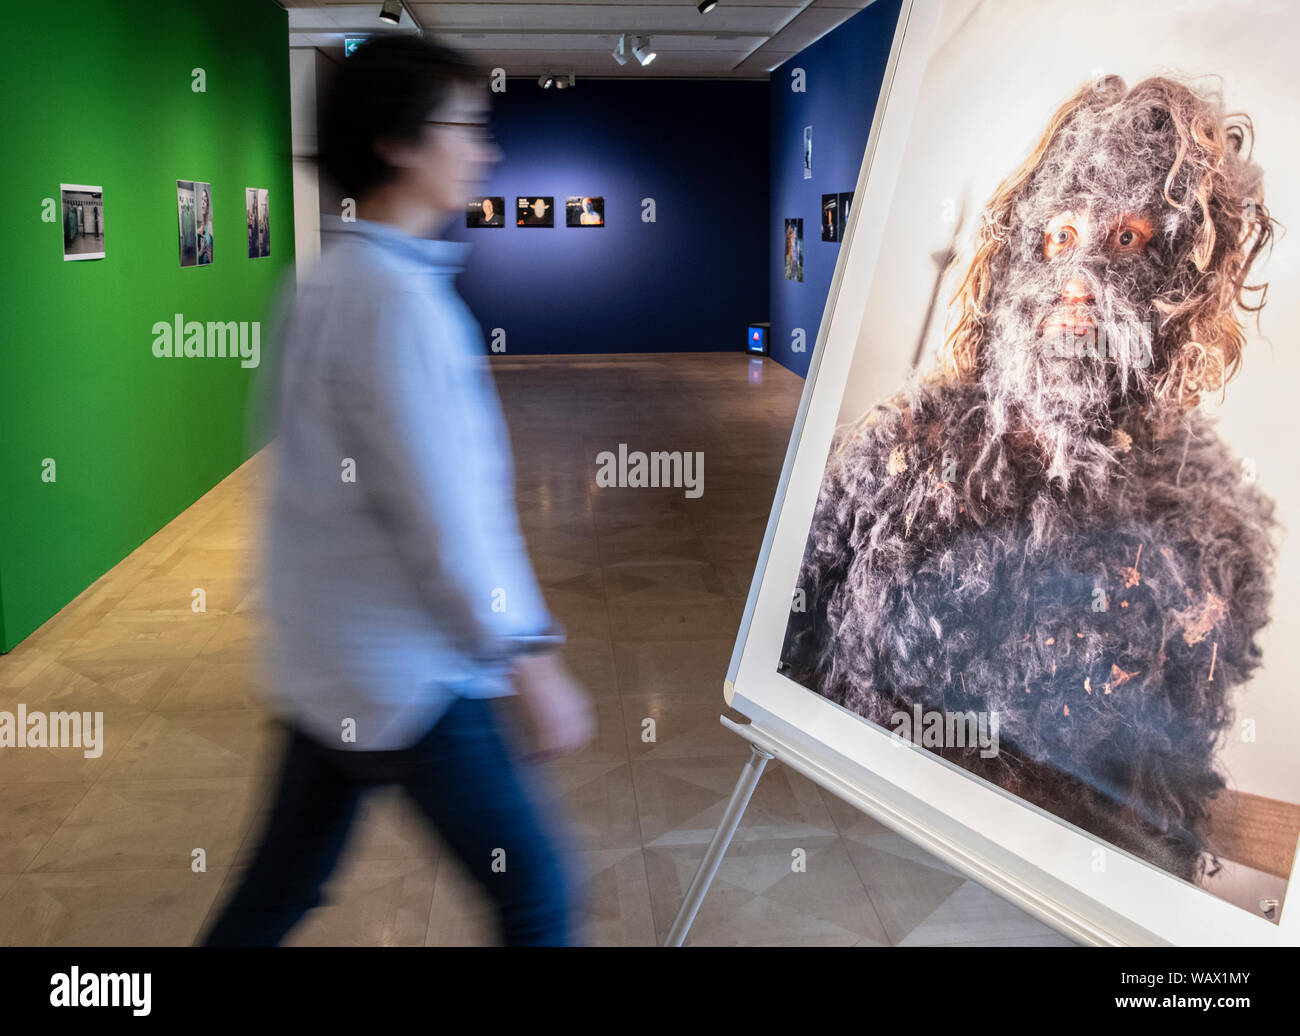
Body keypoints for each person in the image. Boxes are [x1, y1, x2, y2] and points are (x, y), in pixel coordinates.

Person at [781, 76, 1277, 883]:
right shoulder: (908, 450)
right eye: (1060, 236)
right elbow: (797, 627)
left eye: (1123, 239)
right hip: (878, 851)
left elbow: (1168, 771)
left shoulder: (1207, 516)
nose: (1076, 274)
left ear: (1179, 286)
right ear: (1021, 253)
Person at [203, 34, 595, 947]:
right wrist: (532, 662)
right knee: (536, 896)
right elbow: (450, 526)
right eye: (466, 127)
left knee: (278, 892)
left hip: (326, 666)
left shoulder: (316, 286)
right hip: (409, 680)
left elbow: (296, 477)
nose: (484, 150)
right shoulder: (400, 307)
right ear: (398, 144)